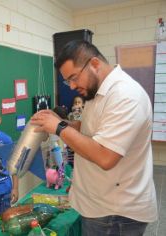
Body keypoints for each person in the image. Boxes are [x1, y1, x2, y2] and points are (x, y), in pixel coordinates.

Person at [31, 40, 158, 236]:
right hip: (99, 205)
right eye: (67, 81)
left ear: (95, 64)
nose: (72, 86)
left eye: (74, 78)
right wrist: (60, 120)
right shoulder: (97, 92)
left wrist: (59, 127)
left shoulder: (125, 96)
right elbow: (87, 129)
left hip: (115, 214)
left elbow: (106, 156)